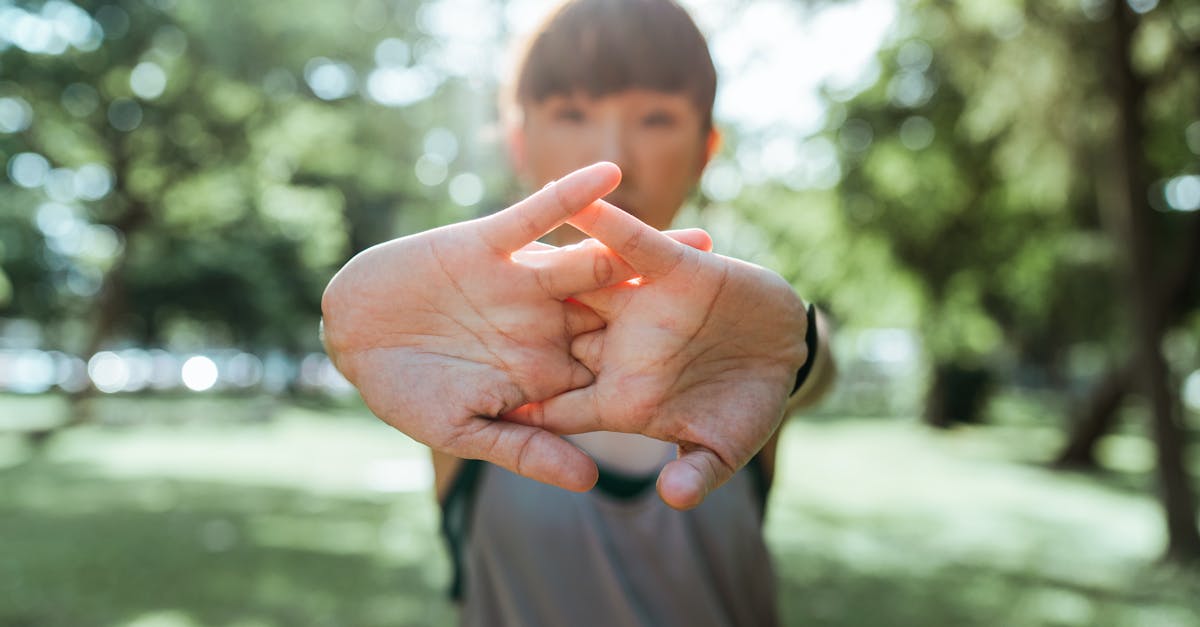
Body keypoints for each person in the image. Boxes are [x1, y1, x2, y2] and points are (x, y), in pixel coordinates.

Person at [320, 0, 835, 624]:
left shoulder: (738, 348)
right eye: (571, 113)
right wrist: (349, 319)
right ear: (519, 141)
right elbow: (392, 348)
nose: (613, 156)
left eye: (656, 117)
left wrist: (797, 351)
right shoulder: (470, 356)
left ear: (707, 148)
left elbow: (800, 359)